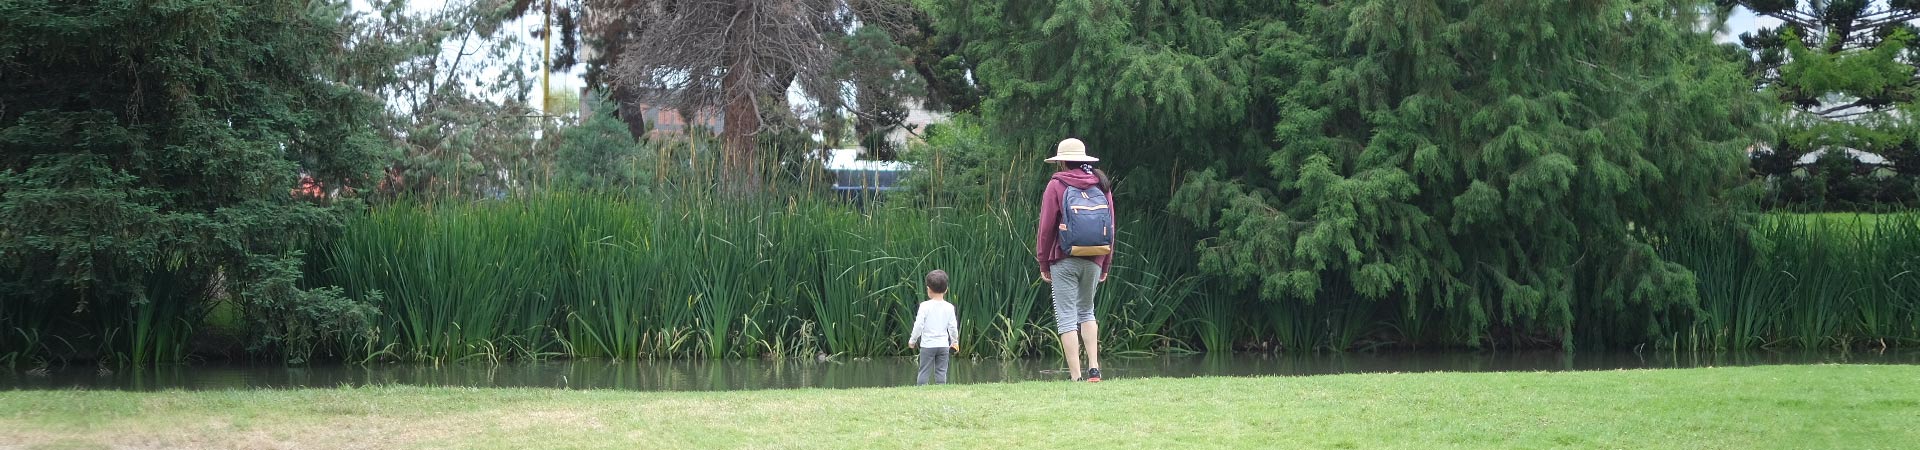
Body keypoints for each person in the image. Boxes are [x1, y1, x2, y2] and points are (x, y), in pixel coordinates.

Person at [1034, 138, 1114, 382]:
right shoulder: (1101, 184)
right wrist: (1105, 263)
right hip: (1095, 257)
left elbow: (1046, 228)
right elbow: (1111, 226)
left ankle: (1076, 376)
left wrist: (1043, 262)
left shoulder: (1056, 185)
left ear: (1062, 162)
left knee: (1067, 315)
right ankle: (1094, 368)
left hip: (1063, 257)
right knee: (1087, 311)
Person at [909, 270, 959, 385]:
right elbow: (953, 327)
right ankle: (940, 391)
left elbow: (918, 326)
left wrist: (912, 340)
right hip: (943, 345)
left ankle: (921, 390)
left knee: (924, 371)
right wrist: (954, 341)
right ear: (946, 289)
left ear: (929, 289)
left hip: (928, 345)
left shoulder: (924, 306)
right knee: (941, 371)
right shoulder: (949, 307)